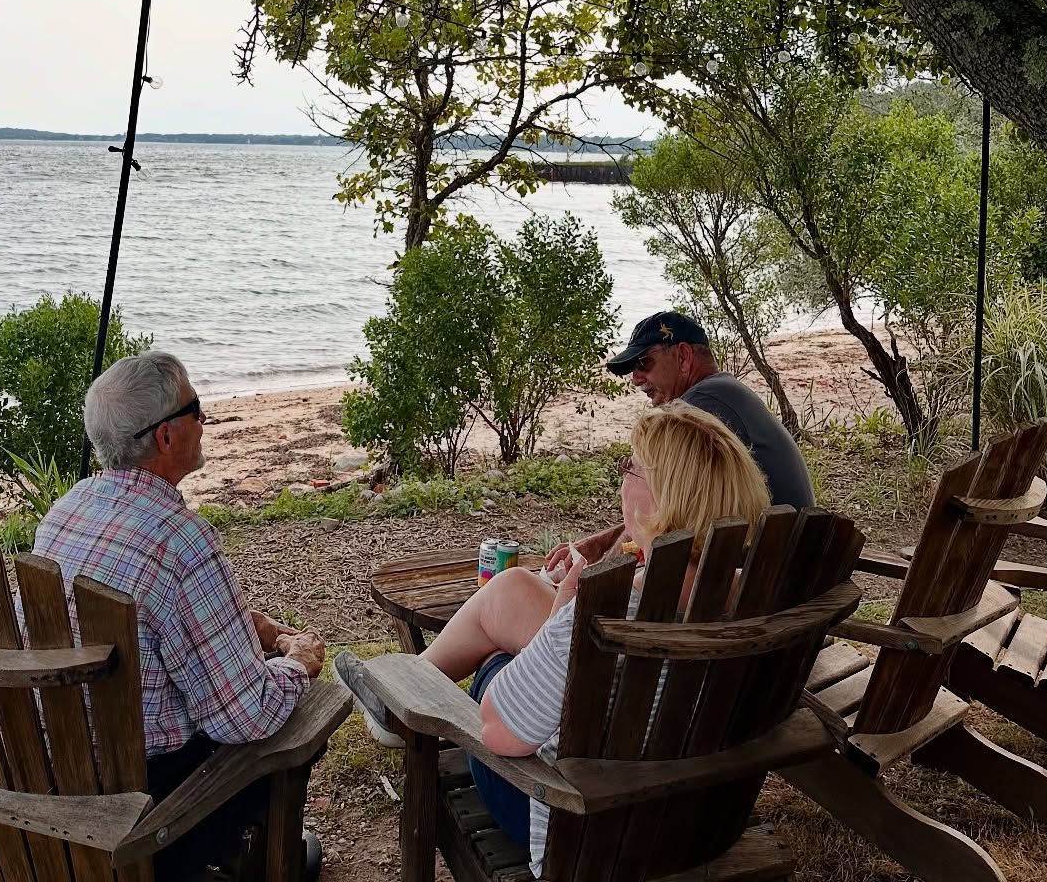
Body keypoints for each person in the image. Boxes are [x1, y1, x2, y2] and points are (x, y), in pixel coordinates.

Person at [336, 404, 771, 878]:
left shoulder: (609, 606)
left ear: (663, 498)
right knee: (518, 657)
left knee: (498, 668)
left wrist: (561, 617)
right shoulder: (759, 593)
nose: (622, 480)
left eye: (630, 467)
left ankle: (406, 697)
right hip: (702, 824)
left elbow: (501, 736)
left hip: (587, 833)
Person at [35, 350, 325, 881]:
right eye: (197, 408)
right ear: (165, 437)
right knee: (305, 721)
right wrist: (298, 663)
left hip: (64, 772)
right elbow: (245, 716)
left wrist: (240, 628)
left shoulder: (68, 510)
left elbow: (142, 633)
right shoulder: (181, 540)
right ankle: (271, 859)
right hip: (150, 810)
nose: (204, 420)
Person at [545, 311, 813, 577]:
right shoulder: (723, 393)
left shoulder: (698, 413)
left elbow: (655, 508)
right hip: (778, 569)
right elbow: (675, 509)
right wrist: (600, 544)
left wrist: (594, 575)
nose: (636, 378)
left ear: (683, 357)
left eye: (644, 363)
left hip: (757, 580)